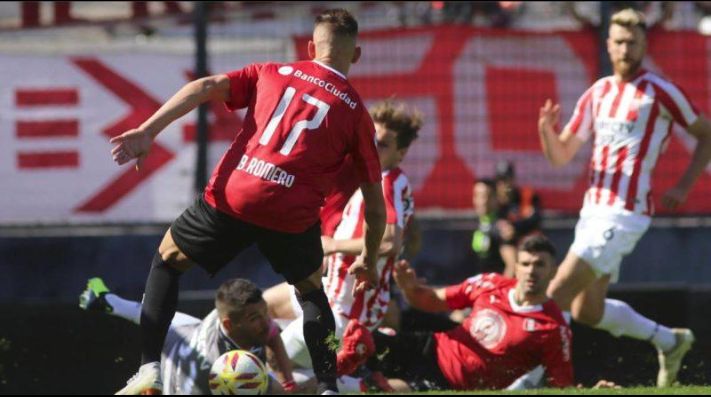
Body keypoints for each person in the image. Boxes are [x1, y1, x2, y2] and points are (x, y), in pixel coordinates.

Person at [109, 9, 386, 394]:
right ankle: (327, 387)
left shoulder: (271, 71)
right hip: (292, 211)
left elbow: (206, 85)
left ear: (310, 48)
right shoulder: (356, 113)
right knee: (311, 293)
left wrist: (147, 130)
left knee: (168, 261)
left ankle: (149, 369)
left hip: (237, 193)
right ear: (355, 56)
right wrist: (370, 260)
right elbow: (375, 203)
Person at [537, 8, 711, 387]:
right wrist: (547, 133)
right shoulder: (597, 92)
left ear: (644, 44)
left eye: (633, 41)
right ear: (608, 45)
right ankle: (671, 340)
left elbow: (706, 133)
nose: (625, 48)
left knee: (556, 292)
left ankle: (530, 379)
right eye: (619, 41)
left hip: (625, 213)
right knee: (586, 309)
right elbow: (561, 155)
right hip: (592, 210)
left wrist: (684, 185)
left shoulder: (660, 91)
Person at [264, 100, 422, 384]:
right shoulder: (377, 179)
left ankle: (362, 381)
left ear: (400, 153)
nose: (374, 147)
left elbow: (389, 243)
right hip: (331, 293)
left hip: (344, 312)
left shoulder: (387, 181)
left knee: (278, 360)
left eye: (383, 144)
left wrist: (332, 245)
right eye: (372, 139)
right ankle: (360, 371)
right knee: (262, 308)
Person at [372, 235, 573, 391]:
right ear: (517, 267)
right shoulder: (490, 284)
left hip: (451, 384)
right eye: (526, 264)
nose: (531, 271)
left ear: (553, 272)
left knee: (379, 389)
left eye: (540, 265)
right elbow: (431, 300)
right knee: (362, 342)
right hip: (431, 347)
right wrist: (410, 288)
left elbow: (561, 386)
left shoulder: (553, 327)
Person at [79, 277, 295, 394]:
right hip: (173, 383)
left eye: (264, 312)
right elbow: (269, 389)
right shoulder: (221, 366)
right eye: (255, 318)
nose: (266, 321)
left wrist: (289, 383)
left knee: (163, 320)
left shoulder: (236, 320)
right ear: (229, 324)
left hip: (184, 336)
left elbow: (272, 334)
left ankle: (109, 302)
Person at [493, 160, 543, 277]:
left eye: (507, 180)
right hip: (504, 245)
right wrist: (503, 231)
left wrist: (514, 228)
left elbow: (535, 219)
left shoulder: (527, 196)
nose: (505, 185)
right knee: (512, 262)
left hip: (528, 243)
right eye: (501, 181)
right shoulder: (495, 202)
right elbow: (489, 224)